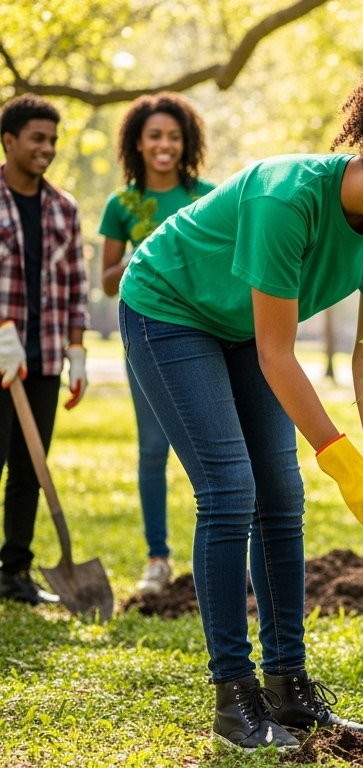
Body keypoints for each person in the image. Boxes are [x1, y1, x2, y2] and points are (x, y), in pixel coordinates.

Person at [118, 47, 363, 751]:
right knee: (230, 492)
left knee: (282, 496)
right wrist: (339, 456)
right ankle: (235, 700)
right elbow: (276, 353)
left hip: (240, 328)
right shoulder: (285, 198)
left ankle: (288, 690)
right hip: (170, 307)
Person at [98, 92, 216, 595]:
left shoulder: (207, 195)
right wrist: (138, 259)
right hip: (147, 333)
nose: (165, 145)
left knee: (217, 452)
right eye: (155, 136)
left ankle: (220, 554)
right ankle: (157, 558)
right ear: (137, 144)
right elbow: (105, 280)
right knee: (153, 447)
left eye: (174, 136)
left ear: (186, 142)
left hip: (208, 333)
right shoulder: (122, 205)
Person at [0, 94, 89, 606]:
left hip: (44, 356)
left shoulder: (63, 208)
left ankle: (14, 572)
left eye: (53, 140)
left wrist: (76, 351)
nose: (47, 148)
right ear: (9, 140)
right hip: (1, 357)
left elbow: (75, 286)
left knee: (30, 468)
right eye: (38, 138)